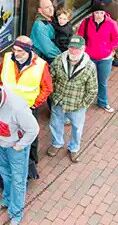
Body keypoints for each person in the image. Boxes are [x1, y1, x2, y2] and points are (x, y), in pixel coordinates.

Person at [0, 84, 40, 225]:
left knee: (18, 181)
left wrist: (19, 146)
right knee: (5, 173)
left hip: (15, 147)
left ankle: (16, 214)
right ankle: (6, 200)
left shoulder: (17, 108)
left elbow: (33, 129)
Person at [0, 36, 52, 180]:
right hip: (8, 106)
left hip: (28, 108)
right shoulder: (7, 58)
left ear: (28, 51)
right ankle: (10, 160)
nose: (15, 53)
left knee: (30, 135)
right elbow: (0, 77)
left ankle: (32, 162)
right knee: (9, 132)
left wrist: (35, 104)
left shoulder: (40, 65)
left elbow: (47, 88)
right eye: (14, 49)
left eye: (20, 51)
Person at [46, 35, 98, 163]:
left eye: (77, 49)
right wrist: (54, 95)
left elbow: (92, 89)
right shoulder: (59, 60)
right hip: (59, 101)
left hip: (77, 105)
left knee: (77, 127)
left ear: (83, 49)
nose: (74, 51)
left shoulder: (90, 67)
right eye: (72, 48)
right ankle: (57, 143)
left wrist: (84, 104)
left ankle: (74, 148)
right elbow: (50, 78)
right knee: (55, 123)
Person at [77, 3, 118, 112]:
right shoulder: (86, 22)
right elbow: (80, 37)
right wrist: (85, 49)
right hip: (89, 58)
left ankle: (102, 102)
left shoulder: (111, 23)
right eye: (96, 13)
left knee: (102, 82)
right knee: (86, 81)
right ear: (93, 13)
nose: (99, 15)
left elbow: (116, 39)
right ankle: (82, 103)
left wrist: (108, 49)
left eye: (101, 13)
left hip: (105, 58)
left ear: (105, 13)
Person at [29, 0, 60, 64]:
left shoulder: (51, 19)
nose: (51, 9)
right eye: (47, 7)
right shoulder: (40, 26)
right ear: (40, 10)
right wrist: (62, 57)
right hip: (44, 61)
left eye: (51, 6)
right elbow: (49, 51)